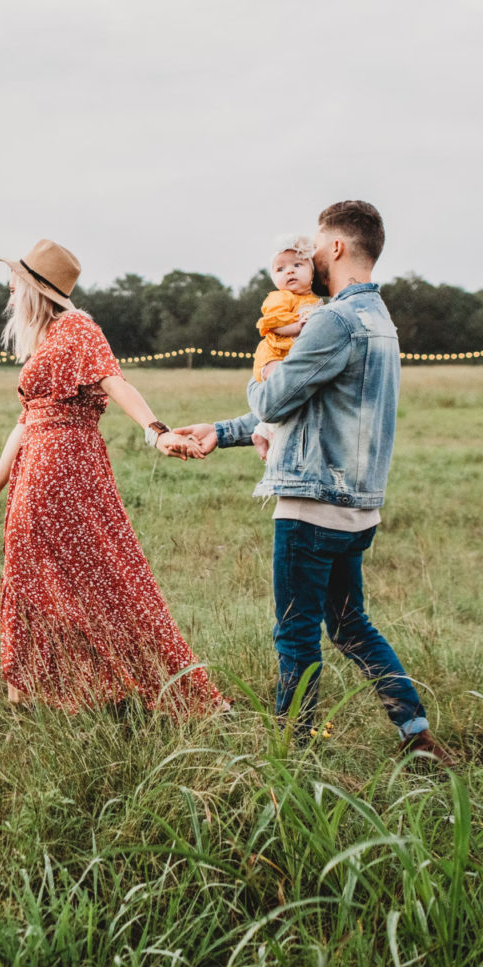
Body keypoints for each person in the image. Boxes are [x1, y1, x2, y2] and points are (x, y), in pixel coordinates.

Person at [176, 202, 454, 763]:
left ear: (337, 248)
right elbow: (310, 407)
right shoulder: (380, 320)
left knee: (295, 633)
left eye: (316, 246)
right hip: (357, 509)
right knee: (351, 626)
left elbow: (277, 398)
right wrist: (223, 431)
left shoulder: (332, 320)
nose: (308, 257)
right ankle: (417, 734)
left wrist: (262, 376)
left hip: (312, 506)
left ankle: (291, 753)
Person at [0, 238, 226, 715]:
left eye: (15, 281)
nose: (8, 288)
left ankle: (127, 686)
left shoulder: (78, 328)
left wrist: (156, 432)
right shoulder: (45, 339)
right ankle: (45, 692)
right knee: (35, 577)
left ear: (35, 289)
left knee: (100, 576)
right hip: (37, 467)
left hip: (64, 467)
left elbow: (115, 381)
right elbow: (25, 422)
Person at [251, 235, 323, 458]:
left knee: (294, 393)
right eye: (280, 269)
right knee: (280, 388)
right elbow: (272, 324)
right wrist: (296, 327)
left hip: (290, 357)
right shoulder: (281, 298)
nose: (289, 272)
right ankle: (270, 434)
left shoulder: (315, 300)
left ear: (312, 272)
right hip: (274, 355)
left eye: (297, 265)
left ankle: (261, 431)